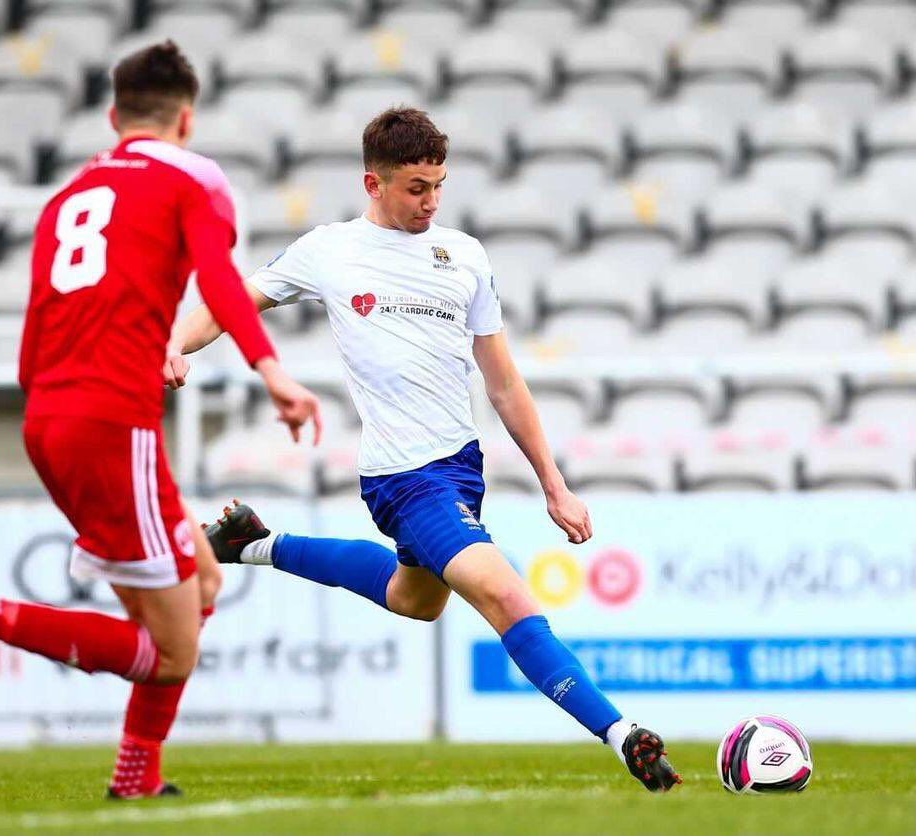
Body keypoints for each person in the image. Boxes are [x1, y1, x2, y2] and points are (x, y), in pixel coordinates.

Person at [167, 107, 680, 792]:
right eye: (416, 187)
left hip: (461, 470)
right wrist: (174, 343)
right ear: (372, 183)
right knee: (504, 594)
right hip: (405, 478)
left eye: (439, 184)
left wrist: (554, 483)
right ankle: (623, 734)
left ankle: (251, 543)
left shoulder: (464, 255)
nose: (430, 201)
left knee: (415, 600)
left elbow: (503, 383)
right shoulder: (329, 249)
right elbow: (232, 299)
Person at [0, 41, 321, 800]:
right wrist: (271, 370)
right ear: (187, 116)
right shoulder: (196, 177)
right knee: (172, 653)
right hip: (113, 426)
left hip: (50, 416)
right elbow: (216, 278)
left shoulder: (70, 196)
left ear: (114, 116)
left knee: (205, 582)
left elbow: (38, 331)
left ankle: (137, 775)